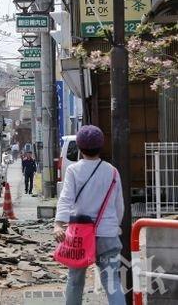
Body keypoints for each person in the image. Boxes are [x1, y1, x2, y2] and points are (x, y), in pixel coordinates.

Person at [53, 125, 124, 305]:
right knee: (112, 281)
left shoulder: (73, 170)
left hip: (80, 235)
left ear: (79, 146)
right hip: (108, 234)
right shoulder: (112, 171)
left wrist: (59, 224)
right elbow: (119, 206)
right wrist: (115, 227)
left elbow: (66, 198)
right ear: (101, 146)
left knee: (75, 280)